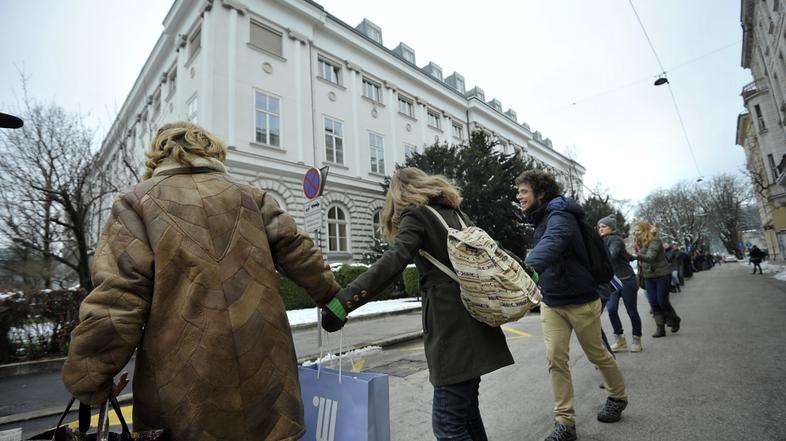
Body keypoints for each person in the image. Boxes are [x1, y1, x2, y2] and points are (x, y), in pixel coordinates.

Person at [62, 122, 341, 441]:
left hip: (183, 389)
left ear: (157, 155)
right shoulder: (251, 195)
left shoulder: (136, 202)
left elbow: (118, 298)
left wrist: (89, 376)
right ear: (211, 150)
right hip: (267, 378)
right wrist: (333, 299)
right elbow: (299, 251)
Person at [321, 167, 514, 441]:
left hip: (452, 330)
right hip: (476, 317)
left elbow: (394, 261)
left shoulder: (416, 214)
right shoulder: (456, 213)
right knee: (467, 414)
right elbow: (493, 249)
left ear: (397, 194)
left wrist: (344, 302)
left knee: (447, 425)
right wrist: (525, 271)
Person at [516, 170, 628, 441]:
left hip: (580, 300)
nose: (518, 196)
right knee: (556, 359)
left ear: (540, 193)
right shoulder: (541, 217)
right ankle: (565, 423)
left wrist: (529, 267)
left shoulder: (560, 215)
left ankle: (618, 396)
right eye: (518, 191)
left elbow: (553, 243)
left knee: (597, 354)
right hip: (552, 301)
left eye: (523, 191)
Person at [597, 215, 642, 353]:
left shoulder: (615, 239)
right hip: (613, 282)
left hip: (626, 279)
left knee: (631, 311)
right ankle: (620, 338)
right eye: (599, 227)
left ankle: (636, 339)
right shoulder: (602, 241)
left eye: (604, 226)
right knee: (611, 310)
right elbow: (625, 256)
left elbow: (612, 254)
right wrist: (632, 257)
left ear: (612, 228)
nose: (600, 229)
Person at [632, 222, 682, 338]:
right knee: (653, 303)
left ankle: (675, 319)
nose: (636, 233)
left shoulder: (655, 241)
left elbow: (649, 257)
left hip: (662, 274)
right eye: (635, 230)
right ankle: (660, 328)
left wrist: (635, 255)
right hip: (648, 276)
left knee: (662, 301)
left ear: (645, 230)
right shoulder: (638, 243)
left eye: (638, 230)